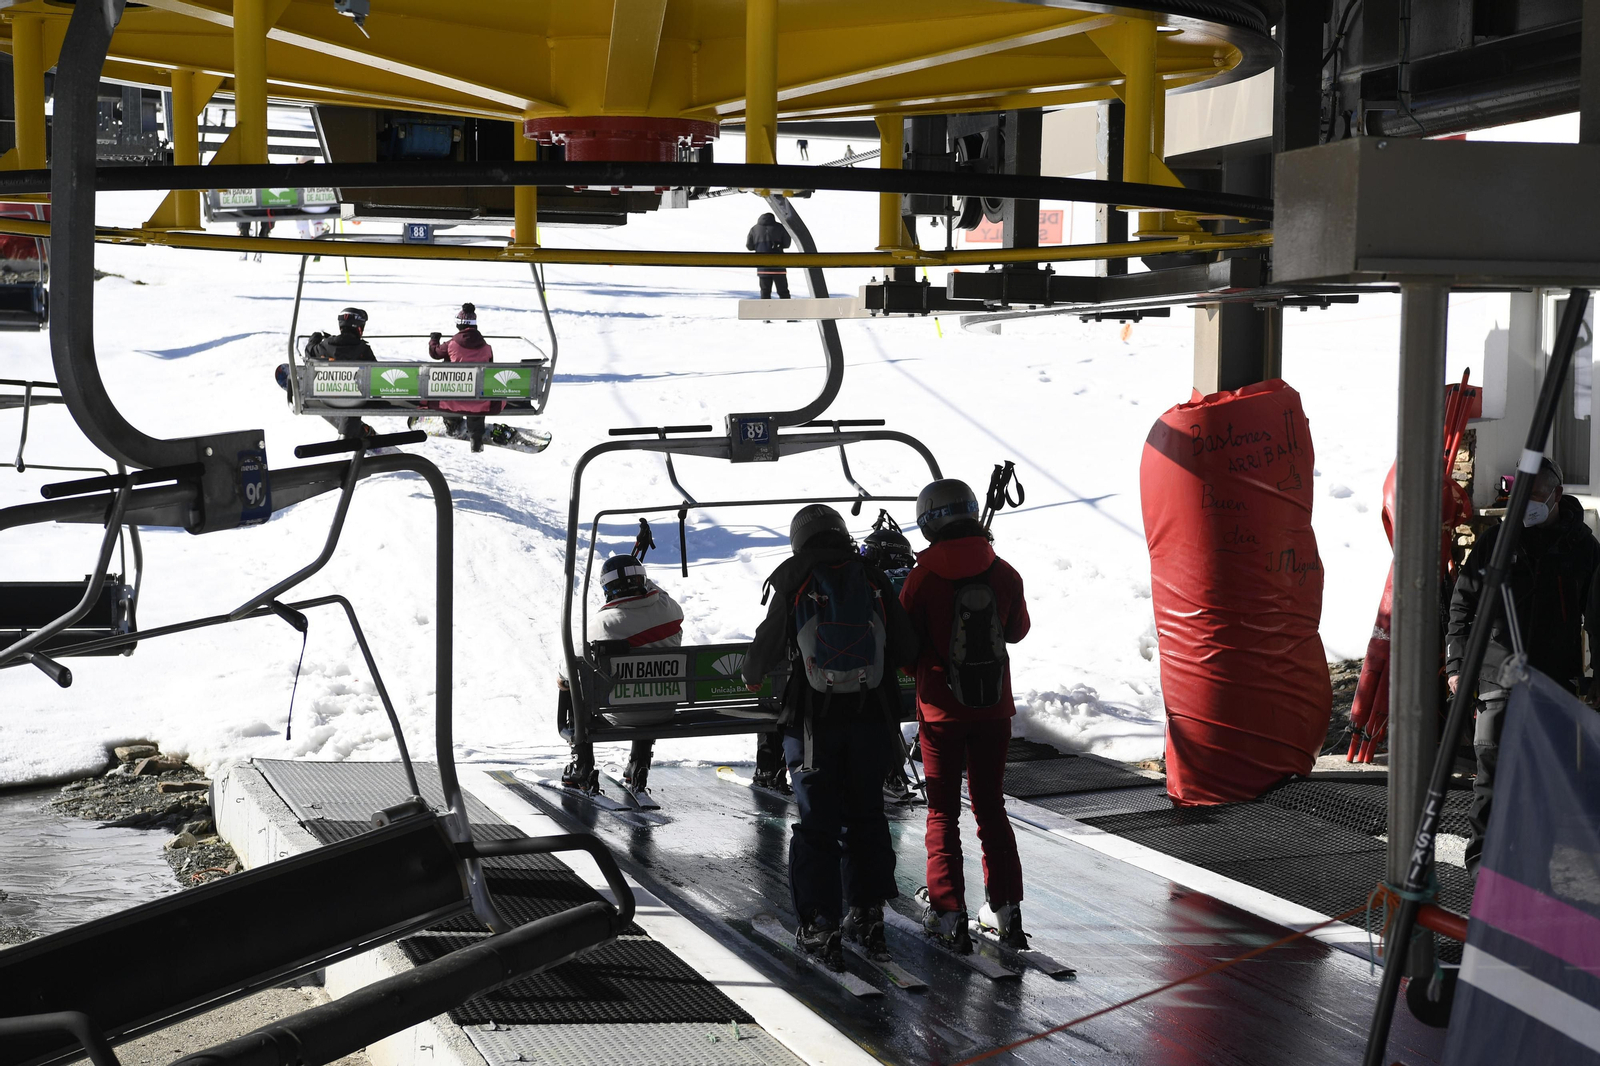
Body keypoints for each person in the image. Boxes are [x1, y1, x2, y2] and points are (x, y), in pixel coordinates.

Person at [741, 504, 917, 970]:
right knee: (866, 816)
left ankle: (820, 924)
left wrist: (753, 675)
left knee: (817, 822)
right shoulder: (873, 577)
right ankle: (869, 914)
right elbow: (906, 647)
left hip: (814, 724)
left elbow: (763, 651)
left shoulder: (795, 577)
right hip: (870, 720)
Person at [1446, 457, 1600, 876]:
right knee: (1491, 777)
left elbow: (1598, 615)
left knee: (1547, 779)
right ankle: (1482, 867)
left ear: (1555, 496)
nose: (1523, 505)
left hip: (1553, 680)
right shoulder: (1495, 543)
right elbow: (1463, 604)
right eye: (1518, 497)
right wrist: (1457, 664)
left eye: (1532, 497)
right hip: (1498, 677)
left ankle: (1535, 870)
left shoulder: (1582, 547)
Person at [900, 479, 1031, 951]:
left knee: (942, 811)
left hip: (940, 714)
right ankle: (1007, 911)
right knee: (990, 808)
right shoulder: (1003, 571)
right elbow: (1016, 631)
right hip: (993, 709)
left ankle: (948, 910)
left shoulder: (922, 577)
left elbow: (904, 650)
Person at [559, 553, 684, 798]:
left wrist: (563, 679)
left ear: (607, 589)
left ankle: (581, 765)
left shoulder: (603, 623)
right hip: (663, 707)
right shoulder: (669, 608)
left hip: (620, 712)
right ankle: (639, 764)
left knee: (570, 684)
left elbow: (569, 668)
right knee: (650, 688)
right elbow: (654, 592)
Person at [860, 511, 921, 801]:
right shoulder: (921, 579)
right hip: (917, 689)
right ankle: (895, 772)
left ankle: (770, 769)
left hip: (876, 690)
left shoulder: (867, 584)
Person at [427, 302, 499, 453]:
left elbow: (435, 353)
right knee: (477, 394)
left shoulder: (452, 344)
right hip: (479, 401)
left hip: (453, 398)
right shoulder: (486, 348)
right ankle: (476, 438)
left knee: (447, 385)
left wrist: (434, 339)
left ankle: (452, 424)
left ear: (459, 325)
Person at [295, 307, 375, 439]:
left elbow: (310, 353)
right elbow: (375, 373)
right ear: (359, 328)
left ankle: (350, 431)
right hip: (355, 401)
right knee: (356, 392)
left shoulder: (325, 345)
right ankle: (350, 432)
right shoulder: (363, 350)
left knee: (350, 391)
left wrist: (314, 340)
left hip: (326, 395)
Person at [746, 212, 791, 301]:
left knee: (765, 292)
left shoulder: (754, 229)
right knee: (783, 292)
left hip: (762, 266)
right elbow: (787, 244)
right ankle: (788, 312)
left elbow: (749, 246)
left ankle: (765, 313)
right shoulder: (780, 227)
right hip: (779, 265)